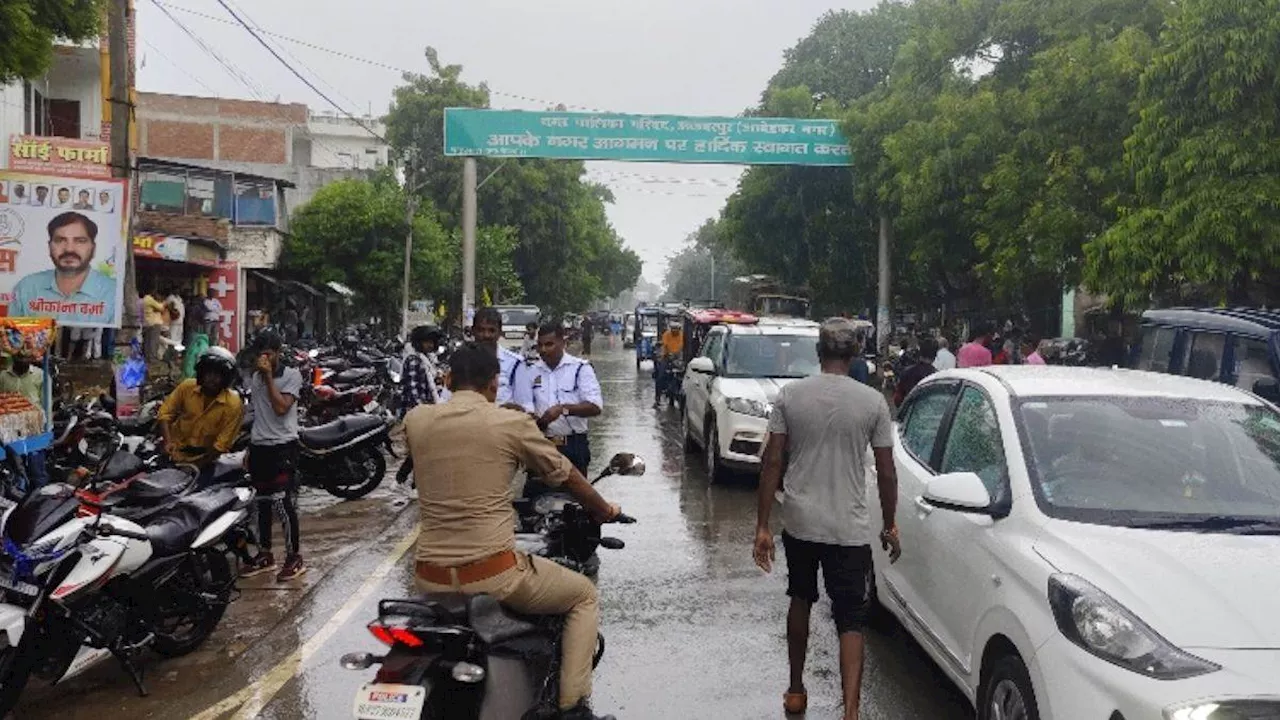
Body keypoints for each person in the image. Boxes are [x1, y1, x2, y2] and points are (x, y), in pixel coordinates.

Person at [407, 344, 621, 720]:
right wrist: (602, 510)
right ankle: (573, 709)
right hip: (493, 574)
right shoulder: (510, 423)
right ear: (494, 384)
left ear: (447, 379)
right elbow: (566, 474)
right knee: (583, 595)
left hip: (429, 578)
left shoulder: (417, 420)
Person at [753, 318, 900, 720]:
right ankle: (850, 711)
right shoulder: (872, 403)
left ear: (819, 353)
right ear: (853, 356)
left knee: (800, 598)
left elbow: (772, 462)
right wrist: (890, 524)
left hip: (800, 519)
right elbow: (886, 472)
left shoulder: (790, 396)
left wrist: (762, 526)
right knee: (850, 618)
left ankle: (796, 689)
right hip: (848, 526)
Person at [238, 331, 307, 582]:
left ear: (278, 352)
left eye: (269, 352)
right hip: (260, 446)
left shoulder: (291, 376)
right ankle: (265, 553)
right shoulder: (255, 378)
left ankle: (294, 556)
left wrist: (268, 377)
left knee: (282, 502)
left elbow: (280, 408)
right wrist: (249, 447)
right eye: (260, 352)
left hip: (283, 445)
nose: (264, 357)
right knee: (262, 503)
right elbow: (259, 413)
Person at [11, 212, 117, 325]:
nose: (69, 249)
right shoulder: (26, 288)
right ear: (49, 246)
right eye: (60, 240)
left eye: (80, 241)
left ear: (93, 248)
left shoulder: (114, 293)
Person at [157, 347, 243, 485]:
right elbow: (164, 414)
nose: (212, 379)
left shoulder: (233, 404)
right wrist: (167, 442)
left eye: (218, 375)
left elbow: (220, 446)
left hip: (204, 463)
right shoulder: (186, 387)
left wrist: (196, 466)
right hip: (173, 457)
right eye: (209, 373)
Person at [530, 322, 603, 477]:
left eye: (549, 344)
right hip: (540, 444)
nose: (543, 350)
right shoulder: (530, 370)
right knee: (534, 496)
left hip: (573, 445)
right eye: (540, 345)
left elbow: (595, 406)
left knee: (576, 498)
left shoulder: (580, 369)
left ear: (563, 342)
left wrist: (563, 409)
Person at [472, 307, 534, 412]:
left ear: (500, 332)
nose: (486, 335)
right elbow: (446, 401)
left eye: (491, 330)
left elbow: (526, 406)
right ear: (473, 331)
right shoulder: (462, 361)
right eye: (481, 330)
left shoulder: (515, 364)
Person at [0, 354, 48, 488]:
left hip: (34, 428)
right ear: (13, 359)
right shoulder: (3, 377)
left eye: (26, 358)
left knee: (36, 467)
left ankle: (39, 495)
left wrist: (46, 427)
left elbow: (46, 404)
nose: (23, 361)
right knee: (14, 465)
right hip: (10, 429)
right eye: (20, 358)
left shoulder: (40, 375)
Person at [401, 325, 445, 411]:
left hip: (427, 408)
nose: (430, 345)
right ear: (418, 342)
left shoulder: (428, 358)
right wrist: (423, 411)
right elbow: (414, 392)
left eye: (432, 342)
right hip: (415, 412)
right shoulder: (413, 360)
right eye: (427, 342)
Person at [893, 336, 938, 406]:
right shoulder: (936, 376)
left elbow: (897, 399)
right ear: (935, 356)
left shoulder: (907, 372)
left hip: (910, 413)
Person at [654, 319, 684, 409]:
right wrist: (668, 354)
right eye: (673, 329)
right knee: (660, 376)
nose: (675, 331)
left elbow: (682, 346)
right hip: (667, 357)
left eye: (677, 329)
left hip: (678, 359)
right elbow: (665, 345)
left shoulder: (682, 335)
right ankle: (657, 397)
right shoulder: (666, 335)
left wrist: (678, 356)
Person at [143, 289, 166, 362]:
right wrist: (164, 303)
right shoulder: (150, 299)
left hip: (147, 322)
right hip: (153, 323)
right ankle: (152, 357)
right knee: (153, 341)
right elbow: (161, 308)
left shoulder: (145, 299)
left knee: (148, 341)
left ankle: (147, 357)